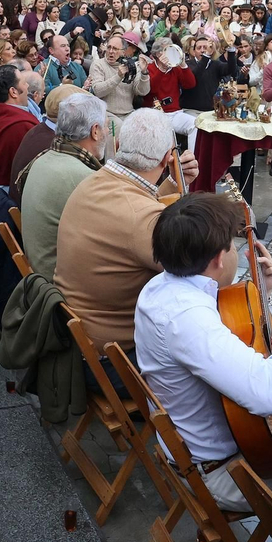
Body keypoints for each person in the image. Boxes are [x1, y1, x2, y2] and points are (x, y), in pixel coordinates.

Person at [135, 193, 272, 513]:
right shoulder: (186, 319)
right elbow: (267, 394)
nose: (235, 253)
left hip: (203, 448)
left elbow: (224, 330)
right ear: (218, 258)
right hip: (224, 473)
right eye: (232, 247)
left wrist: (262, 292)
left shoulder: (160, 287)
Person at [54, 109, 193, 364]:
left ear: (117, 145)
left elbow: (136, 208)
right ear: (167, 158)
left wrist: (174, 183)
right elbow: (205, 271)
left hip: (76, 335)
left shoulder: (93, 181)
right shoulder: (141, 217)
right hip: (115, 355)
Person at [18, 93, 108, 279]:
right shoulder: (84, 178)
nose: (108, 132)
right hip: (59, 284)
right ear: (95, 131)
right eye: (106, 126)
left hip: (38, 273)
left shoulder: (45, 157)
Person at [0, 64, 37, 187]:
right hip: (7, 190)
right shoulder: (21, 125)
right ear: (13, 92)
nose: (27, 86)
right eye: (24, 83)